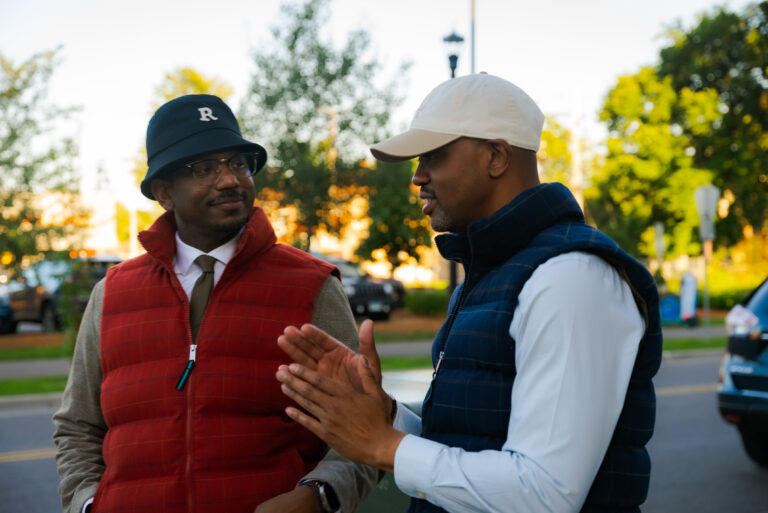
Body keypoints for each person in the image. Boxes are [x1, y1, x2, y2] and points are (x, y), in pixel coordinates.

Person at [275, 73, 663, 513]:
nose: (418, 177)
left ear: (496, 156)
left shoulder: (571, 276)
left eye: (433, 156)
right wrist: (383, 412)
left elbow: (545, 494)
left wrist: (384, 447)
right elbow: (467, 445)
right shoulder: (491, 273)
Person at [53, 94, 378, 513]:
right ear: (164, 191)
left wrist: (319, 495)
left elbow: (365, 425)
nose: (230, 180)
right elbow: (77, 426)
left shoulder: (311, 285)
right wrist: (87, 503)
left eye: (238, 163)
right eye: (204, 168)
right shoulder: (112, 293)